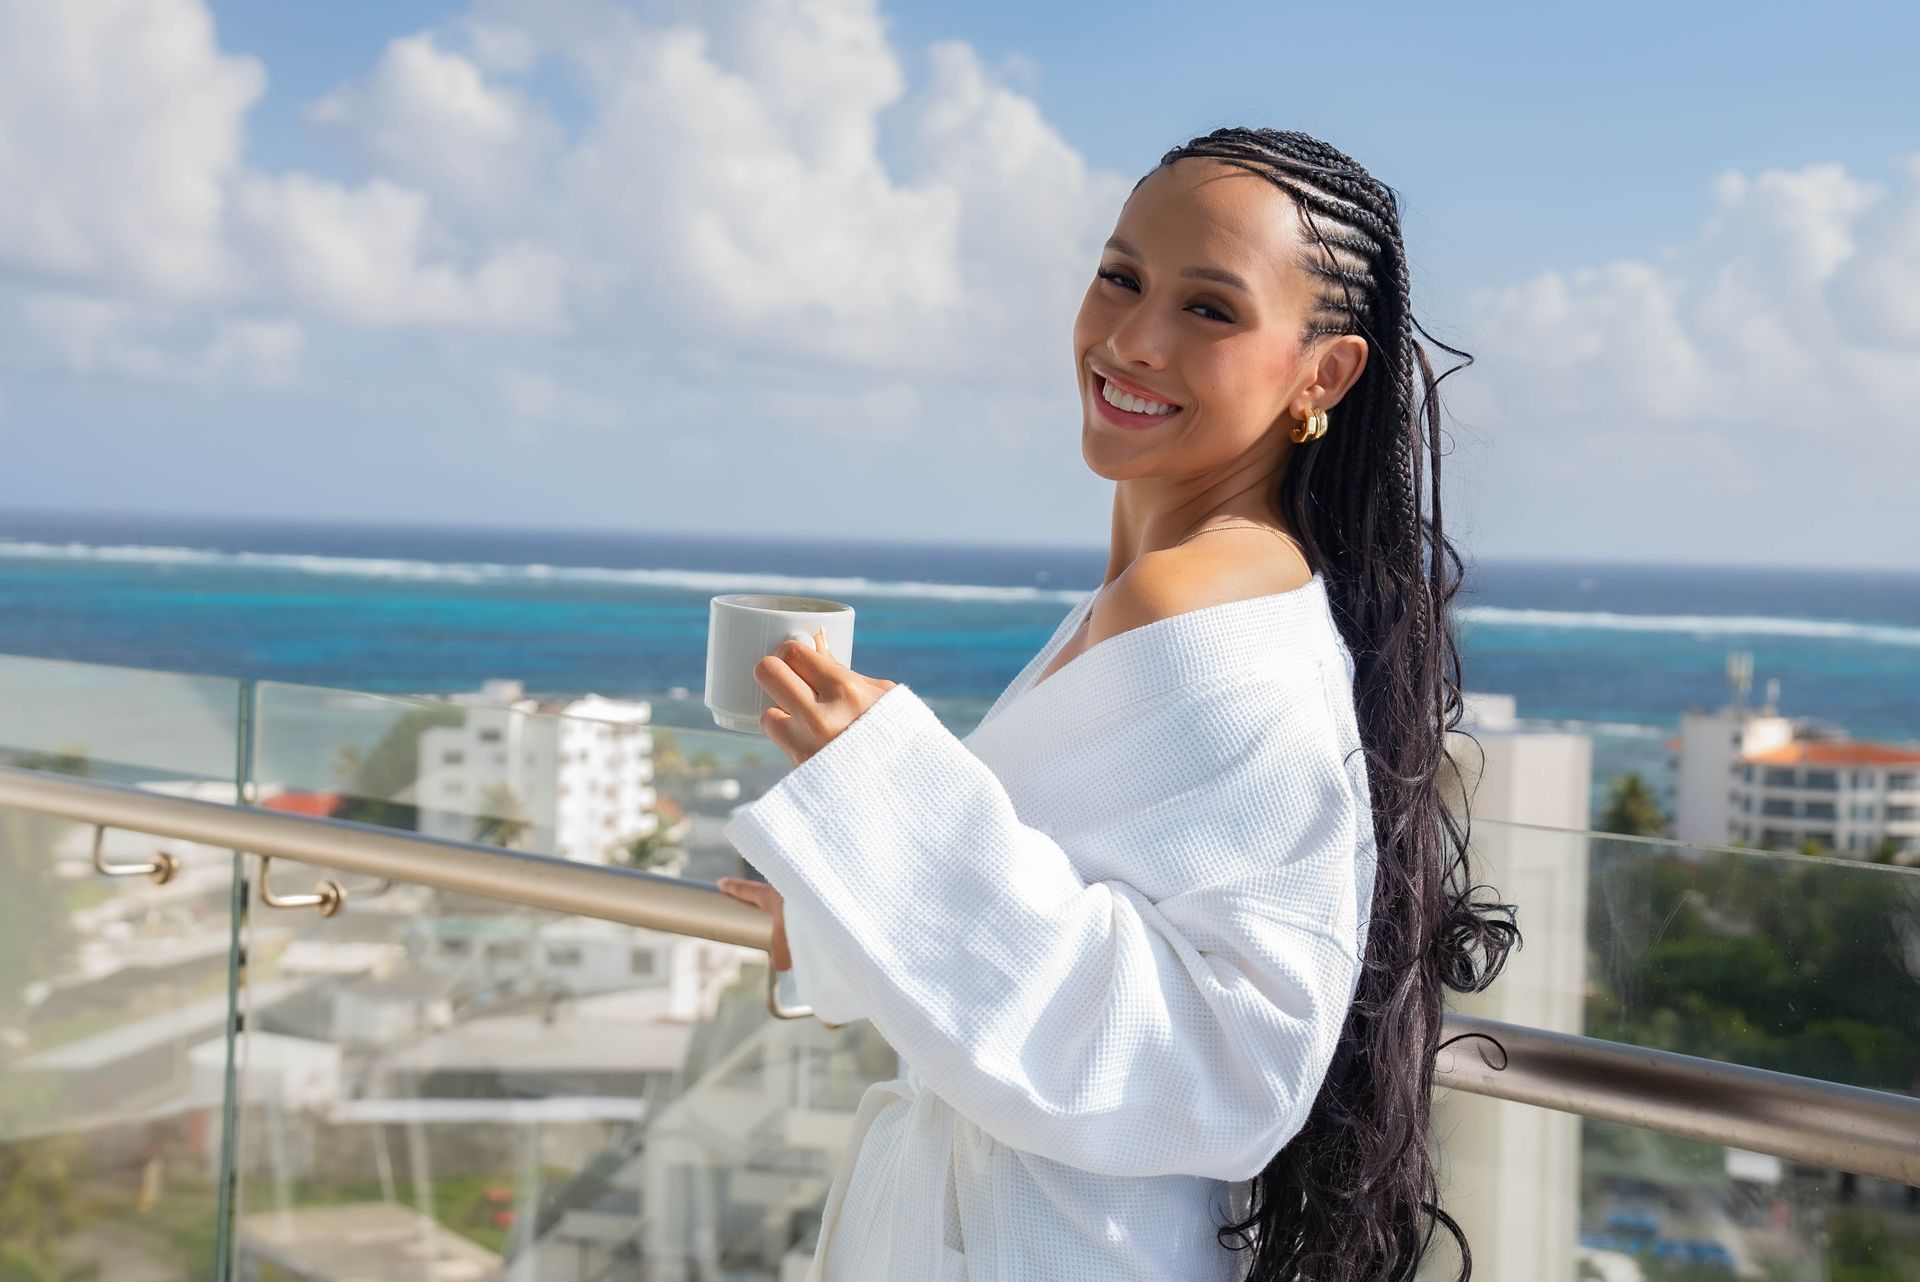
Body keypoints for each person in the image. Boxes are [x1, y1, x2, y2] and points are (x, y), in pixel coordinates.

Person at [719, 126, 1520, 1282]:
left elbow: (1238, 1064)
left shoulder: (1194, 611)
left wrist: (890, 794)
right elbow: (1092, 887)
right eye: (1121, 277)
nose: (1133, 338)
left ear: (1324, 373)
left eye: (1210, 308)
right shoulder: (1173, 592)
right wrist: (853, 904)